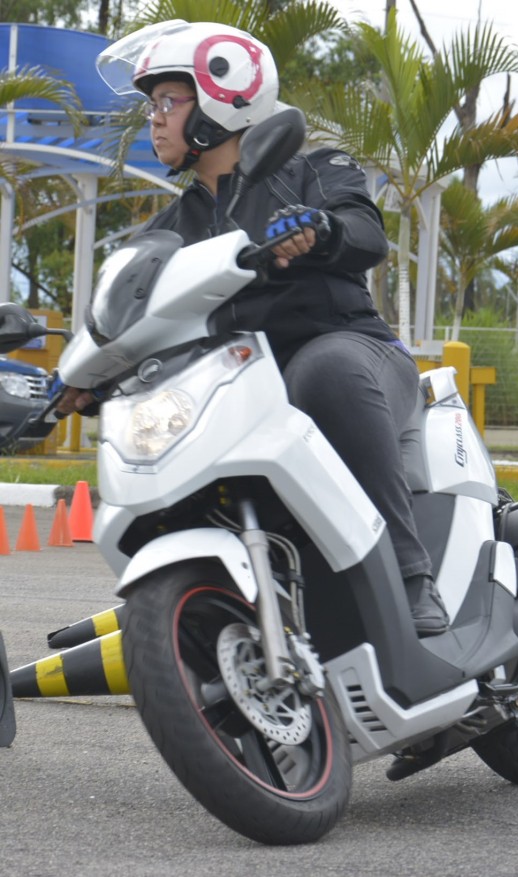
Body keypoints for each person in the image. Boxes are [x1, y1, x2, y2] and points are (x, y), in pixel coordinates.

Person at [56, 20, 449, 636]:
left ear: (224, 95)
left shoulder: (310, 170)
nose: (153, 119)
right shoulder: (164, 230)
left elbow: (367, 236)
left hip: (351, 351)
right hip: (242, 387)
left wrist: (321, 229)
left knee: (326, 371)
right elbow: (130, 324)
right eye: (151, 105)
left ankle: (408, 576)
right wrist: (83, 383)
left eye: (166, 101)